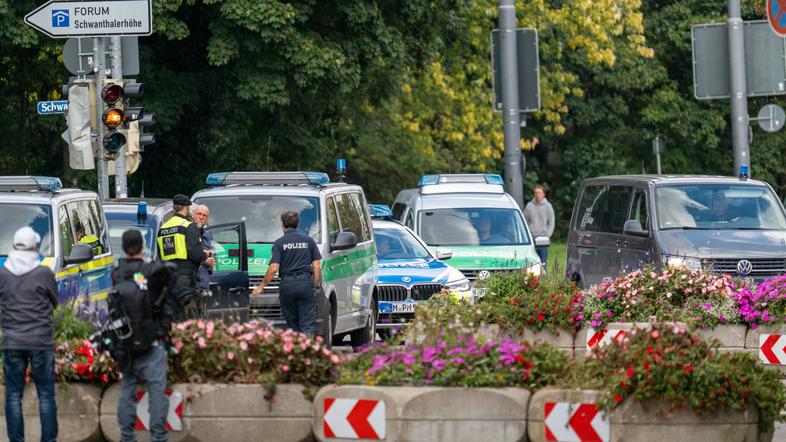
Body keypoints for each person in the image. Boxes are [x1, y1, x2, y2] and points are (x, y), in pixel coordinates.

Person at [113, 230, 173, 442]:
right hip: (153, 339)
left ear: (123, 247)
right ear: (141, 246)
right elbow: (169, 278)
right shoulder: (153, 271)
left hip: (126, 342)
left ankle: (127, 436)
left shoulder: (117, 273)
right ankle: (158, 436)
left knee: (128, 388)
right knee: (156, 390)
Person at [0, 227, 58, 442]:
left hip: (12, 341)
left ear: (13, 246)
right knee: (46, 394)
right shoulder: (44, 273)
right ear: (34, 247)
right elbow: (55, 301)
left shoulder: (3, 274)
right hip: (41, 340)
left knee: (14, 395)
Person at [251, 211, 321, 335]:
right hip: (305, 283)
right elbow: (316, 266)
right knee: (307, 325)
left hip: (287, 285)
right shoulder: (309, 241)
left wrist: (261, 287)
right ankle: (307, 351)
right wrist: (314, 285)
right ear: (297, 224)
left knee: (292, 326)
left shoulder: (279, 243)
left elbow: (273, 268)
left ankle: (295, 350)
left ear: (282, 225)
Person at [156, 194, 207, 320]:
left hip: (169, 281)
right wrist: (205, 254)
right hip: (186, 280)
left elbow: (159, 256)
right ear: (186, 207)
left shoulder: (162, 229)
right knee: (192, 319)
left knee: (174, 319)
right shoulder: (188, 226)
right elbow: (196, 255)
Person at [524, 185, 555, 266]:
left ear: (543, 194)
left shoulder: (548, 206)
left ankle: (543, 278)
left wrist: (547, 235)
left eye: (539, 193)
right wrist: (528, 235)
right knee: (531, 263)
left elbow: (551, 221)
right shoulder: (529, 206)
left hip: (543, 238)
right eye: (536, 193)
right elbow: (525, 221)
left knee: (543, 263)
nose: (537, 194)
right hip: (531, 238)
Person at [193, 204, 216, 292]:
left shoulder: (207, 235)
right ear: (193, 215)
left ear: (207, 219)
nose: (201, 217)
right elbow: (186, 256)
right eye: (199, 214)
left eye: (204, 215)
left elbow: (212, 255)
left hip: (204, 283)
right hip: (193, 285)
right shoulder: (187, 232)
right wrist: (204, 261)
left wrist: (211, 260)